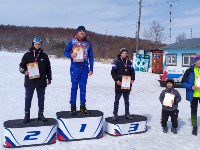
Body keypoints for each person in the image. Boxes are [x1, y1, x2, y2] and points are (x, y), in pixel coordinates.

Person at [19, 37, 52, 123]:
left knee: (41, 98)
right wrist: (24, 71)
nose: (37, 46)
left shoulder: (44, 56)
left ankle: (40, 114)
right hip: (30, 82)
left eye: (39, 44)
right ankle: (27, 115)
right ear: (33, 44)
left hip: (41, 81)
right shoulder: (27, 55)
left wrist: (49, 78)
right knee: (28, 98)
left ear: (41, 45)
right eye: (36, 44)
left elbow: (48, 68)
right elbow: (20, 66)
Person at [64, 25, 94, 115]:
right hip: (75, 68)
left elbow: (91, 56)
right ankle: (73, 106)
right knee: (74, 87)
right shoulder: (72, 41)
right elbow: (65, 52)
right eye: (80, 31)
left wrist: (91, 68)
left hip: (84, 68)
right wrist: (71, 55)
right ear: (77, 32)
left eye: (83, 31)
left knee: (83, 88)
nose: (82, 32)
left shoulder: (88, 43)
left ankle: (82, 106)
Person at [111, 48, 135, 121]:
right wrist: (116, 80)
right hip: (119, 83)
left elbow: (132, 72)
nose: (124, 54)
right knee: (117, 100)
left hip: (127, 84)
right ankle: (115, 114)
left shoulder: (130, 62)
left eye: (125, 53)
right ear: (120, 54)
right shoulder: (117, 62)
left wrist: (132, 79)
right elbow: (113, 72)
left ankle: (127, 114)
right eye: (123, 53)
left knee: (126, 100)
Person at [181, 54, 200, 135]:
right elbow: (182, 83)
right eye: (198, 61)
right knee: (194, 111)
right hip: (193, 95)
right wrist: (191, 87)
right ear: (195, 62)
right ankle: (194, 126)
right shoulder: (189, 71)